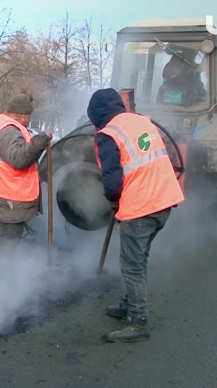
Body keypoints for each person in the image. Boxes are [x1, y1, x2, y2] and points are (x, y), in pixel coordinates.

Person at [87, 88, 185, 343]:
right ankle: (129, 304)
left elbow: (112, 178)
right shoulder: (143, 121)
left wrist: (112, 199)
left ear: (96, 114)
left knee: (132, 267)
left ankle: (139, 322)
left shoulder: (107, 134)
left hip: (141, 206)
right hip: (164, 202)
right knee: (139, 260)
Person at [0, 93, 52, 248]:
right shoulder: (10, 132)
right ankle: (4, 270)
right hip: (10, 194)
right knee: (8, 239)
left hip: (6, 191)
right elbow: (19, 159)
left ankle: (6, 267)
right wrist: (41, 140)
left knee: (9, 235)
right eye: (29, 116)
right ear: (24, 116)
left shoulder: (4, 125)